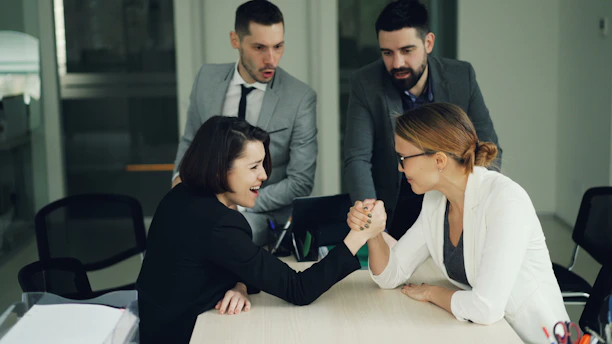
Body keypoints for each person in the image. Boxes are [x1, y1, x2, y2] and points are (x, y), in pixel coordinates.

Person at [137, 116, 385, 344]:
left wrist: (240, 284)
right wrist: (360, 234)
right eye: (254, 167)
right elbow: (299, 289)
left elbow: (219, 262)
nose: (264, 175)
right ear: (218, 170)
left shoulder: (183, 196)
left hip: (160, 328)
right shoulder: (219, 224)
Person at [347, 103, 568, 344]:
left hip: (535, 336)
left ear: (439, 160)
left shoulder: (505, 200)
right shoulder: (436, 200)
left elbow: (486, 308)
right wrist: (374, 231)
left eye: (403, 158)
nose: (400, 167)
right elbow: (390, 275)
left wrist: (433, 292)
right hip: (486, 332)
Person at [343, 0, 502, 240]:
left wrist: (470, 204)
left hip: (451, 199)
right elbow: (357, 159)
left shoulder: (462, 76)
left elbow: (488, 147)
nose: (397, 63)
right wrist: (372, 221)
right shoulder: (365, 83)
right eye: (387, 53)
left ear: (428, 43)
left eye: (407, 50)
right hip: (395, 202)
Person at [172, 0, 317, 246]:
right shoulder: (206, 78)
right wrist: (179, 182)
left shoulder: (300, 98)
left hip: (258, 211)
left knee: (224, 235)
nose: (271, 59)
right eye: (259, 47)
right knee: (175, 231)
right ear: (235, 40)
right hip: (202, 203)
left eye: (278, 46)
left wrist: (234, 203)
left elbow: (300, 182)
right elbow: (190, 141)